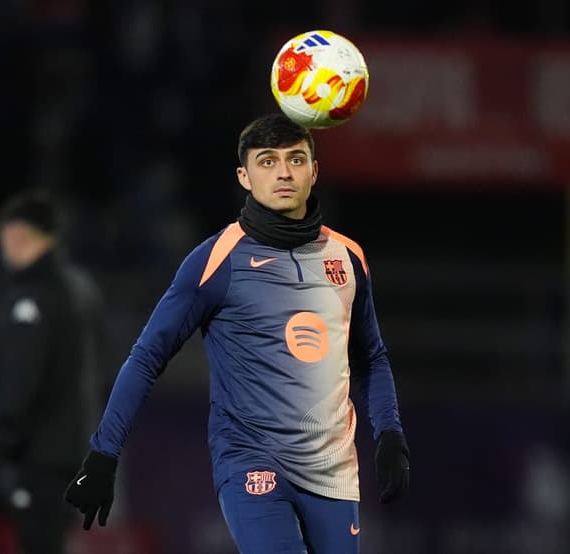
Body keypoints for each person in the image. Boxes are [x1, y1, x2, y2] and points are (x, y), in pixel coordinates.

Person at [64, 113, 409, 553]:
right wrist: (103, 453)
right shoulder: (216, 260)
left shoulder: (347, 258)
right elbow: (147, 356)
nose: (283, 173)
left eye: (296, 159)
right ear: (244, 177)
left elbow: (371, 357)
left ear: (314, 171)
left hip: (333, 470)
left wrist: (390, 434)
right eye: (267, 161)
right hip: (251, 463)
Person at [0, 190, 108, 554]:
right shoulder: (83, 288)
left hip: (40, 454)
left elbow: (21, 381)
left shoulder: (33, 296)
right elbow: (104, 366)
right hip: (81, 448)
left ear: (17, 235)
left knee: (39, 542)